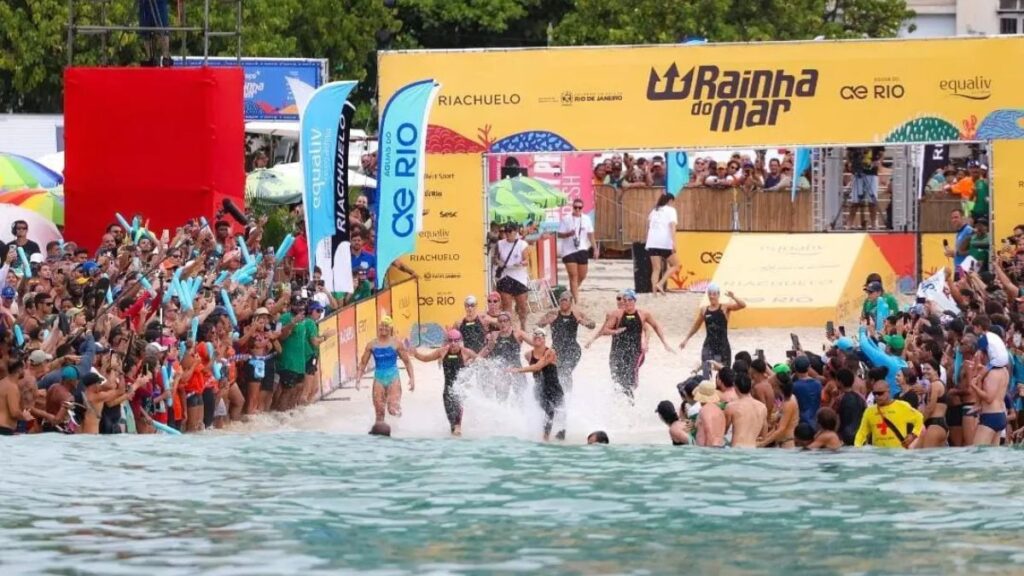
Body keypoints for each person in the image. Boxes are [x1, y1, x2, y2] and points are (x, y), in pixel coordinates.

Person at [598, 289, 672, 399]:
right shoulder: (617, 314)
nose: (627, 302)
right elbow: (604, 330)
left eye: (629, 300)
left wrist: (664, 343)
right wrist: (615, 331)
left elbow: (655, 326)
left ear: (634, 300)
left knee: (629, 377)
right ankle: (619, 401)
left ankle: (631, 402)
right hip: (618, 351)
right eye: (625, 300)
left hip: (635, 352)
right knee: (617, 379)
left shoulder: (643, 314)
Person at [408, 329, 477, 436]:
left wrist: (472, 368)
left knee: (457, 427)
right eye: (450, 341)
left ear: (460, 341)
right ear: (447, 341)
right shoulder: (442, 351)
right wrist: (415, 354)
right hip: (447, 390)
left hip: (459, 390)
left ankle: (460, 438)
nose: (453, 343)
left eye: (456, 341)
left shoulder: (466, 352)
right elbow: (426, 358)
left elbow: (479, 361)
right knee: (452, 426)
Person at [356, 316, 415, 424]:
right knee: (379, 413)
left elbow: (407, 362)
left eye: (386, 326)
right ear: (379, 327)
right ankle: (381, 437)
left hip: (393, 377)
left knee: (393, 409)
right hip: (379, 378)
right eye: (382, 325)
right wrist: (358, 379)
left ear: (390, 328)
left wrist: (412, 379)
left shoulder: (396, 344)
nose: (384, 328)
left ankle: (399, 427)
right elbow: (363, 363)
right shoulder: (372, 344)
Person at [510, 328, 565, 441]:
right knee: (548, 410)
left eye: (540, 336)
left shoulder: (550, 352)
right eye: (535, 336)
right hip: (540, 388)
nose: (537, 337)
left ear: (544, 339)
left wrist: (518, 370)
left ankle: (559, 441)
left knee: (561, 415)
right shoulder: (528, 355)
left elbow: (538, 367)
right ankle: (545, 438)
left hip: (554, 387)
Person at [536, 291, 596, 393]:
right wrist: (545, 322)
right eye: (561, 300)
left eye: (565, 300)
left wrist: (583, 322)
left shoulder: (577, 314)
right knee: (553, 373)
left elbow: (592, 325)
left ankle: (568, 396)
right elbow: (538, 324)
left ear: (571, 301)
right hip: (556, 349)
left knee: (566, 371)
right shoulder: (553, 313)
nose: (563, 302)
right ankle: (557, 395)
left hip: (573, 349)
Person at [855, 366, 924, 448]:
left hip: (898, 452)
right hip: (878, 454)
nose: (877, 396)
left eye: (880, 393)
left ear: (888, 392)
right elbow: (861, 433)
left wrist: (913, 435)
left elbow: (919, 418)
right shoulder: (869, 411)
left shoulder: (902, 406)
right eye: (875, 394)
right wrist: (857, 449)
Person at [679, 284, 745, 363]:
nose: (711, 296)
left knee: (724, 372)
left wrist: (733, 297)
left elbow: (742, 305)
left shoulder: (725, 308)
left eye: (714, 294)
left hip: (723, 345)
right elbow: (696, 326)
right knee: (706, 370)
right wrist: (686, 339)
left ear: (718, 295)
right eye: (710, 294)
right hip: (709, 346)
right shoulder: (704, 310)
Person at [970, 332, 1010, 446]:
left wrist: (974, 386)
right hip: (1000, 415)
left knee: (978, 454)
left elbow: (989, 398)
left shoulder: (993, 373)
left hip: (990, 416)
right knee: (992, 459)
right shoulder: (1004, 371)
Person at [493, 223, 531, 330]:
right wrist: (499, 262)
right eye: (505, 231)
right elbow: (495, 258)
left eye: (509, 231)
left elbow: (526, 260)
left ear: (516, 232)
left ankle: (523, 326)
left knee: (522, 307)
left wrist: (521, 263)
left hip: (519, 277)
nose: (507, 233)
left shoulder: (522, 244)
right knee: (506, 306)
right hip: (505, 276)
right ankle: (509, 329)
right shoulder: (500, 243)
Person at [558, 199, 597, 303]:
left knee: (582, 275)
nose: (577, 209)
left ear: (582, 208)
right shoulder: (566, 219)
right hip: (568, 251)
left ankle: (570, 294)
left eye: (580, 207)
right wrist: (568, 234)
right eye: (575, 207)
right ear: (572, 207)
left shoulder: (586, 219)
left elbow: (591, 235)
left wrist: (595, 249)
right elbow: (559, 234)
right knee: (573, 275)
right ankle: (576, 301)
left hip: (582, 248)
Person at [645, 193, 679, 295]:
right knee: (676, 265)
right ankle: (660, 283)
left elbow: (648, 227)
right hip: (664, 242)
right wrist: (673, 242)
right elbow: (672, 227)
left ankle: (654, 293)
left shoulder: (654, 210)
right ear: (670, 201)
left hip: (652, 242)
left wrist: (647, 241)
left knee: (656, 269)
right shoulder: (671, 210)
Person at [724, 373, 767, 448]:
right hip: (753, 448)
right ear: (750, 387)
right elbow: (763, 436)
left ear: (735, 387)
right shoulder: (762, 407)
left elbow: (723, 431)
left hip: (737, 448)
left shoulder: (731, 407)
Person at [848, 146, 884, 230]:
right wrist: (850, 163)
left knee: (872, 199)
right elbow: (849, 152)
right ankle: (849, 223)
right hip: (857, 172)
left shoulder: (876, 140)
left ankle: (874, 224)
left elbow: (882, 153)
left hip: (871, 172)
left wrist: (878, 162)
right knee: (855, 200)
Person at [759, 373, 797, 448]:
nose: (771, 390)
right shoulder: (786, 401)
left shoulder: (789, 403)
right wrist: (764, 438)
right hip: (782, 443)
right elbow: (776, 428)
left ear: (777, 387)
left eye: (772, 387)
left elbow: (781, 429)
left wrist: (762, 444)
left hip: (787, 444)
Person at [918, 359, 949, 448]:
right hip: (940, 424)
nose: (925, 371)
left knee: (927, 456)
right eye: (924, 369)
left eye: (928, 369)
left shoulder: (935, 385)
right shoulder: (940, 384)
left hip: (935, 425)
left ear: (936, 370)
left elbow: (930, 408)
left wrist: (919, 423)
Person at [835, 369, 865, 446]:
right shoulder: (860, 398)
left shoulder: (840, 399)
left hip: (845, 436)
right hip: (859, 435)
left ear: (840, 382)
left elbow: (838, 420)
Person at [791, 356, 822, 429]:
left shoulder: (794, 386)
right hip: (815, 422)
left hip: (801, 422)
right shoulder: (818, 384)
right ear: (809, 367)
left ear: (795, 368)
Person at [693, 379, 725, 447]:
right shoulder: (719, 411)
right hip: (719, 447)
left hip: (708, 449)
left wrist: (708, 453)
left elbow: (709, 430)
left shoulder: (705, 410)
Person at [945, 208, 974, 278]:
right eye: (952, 218)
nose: (953, 220)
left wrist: (956, 253)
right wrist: (952, 254)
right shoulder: (959, 232)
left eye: (956, 217)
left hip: (965, 269)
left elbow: (973, 251)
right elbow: (961, 252)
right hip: (958, 269)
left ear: (962, 218)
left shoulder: (968, 230)